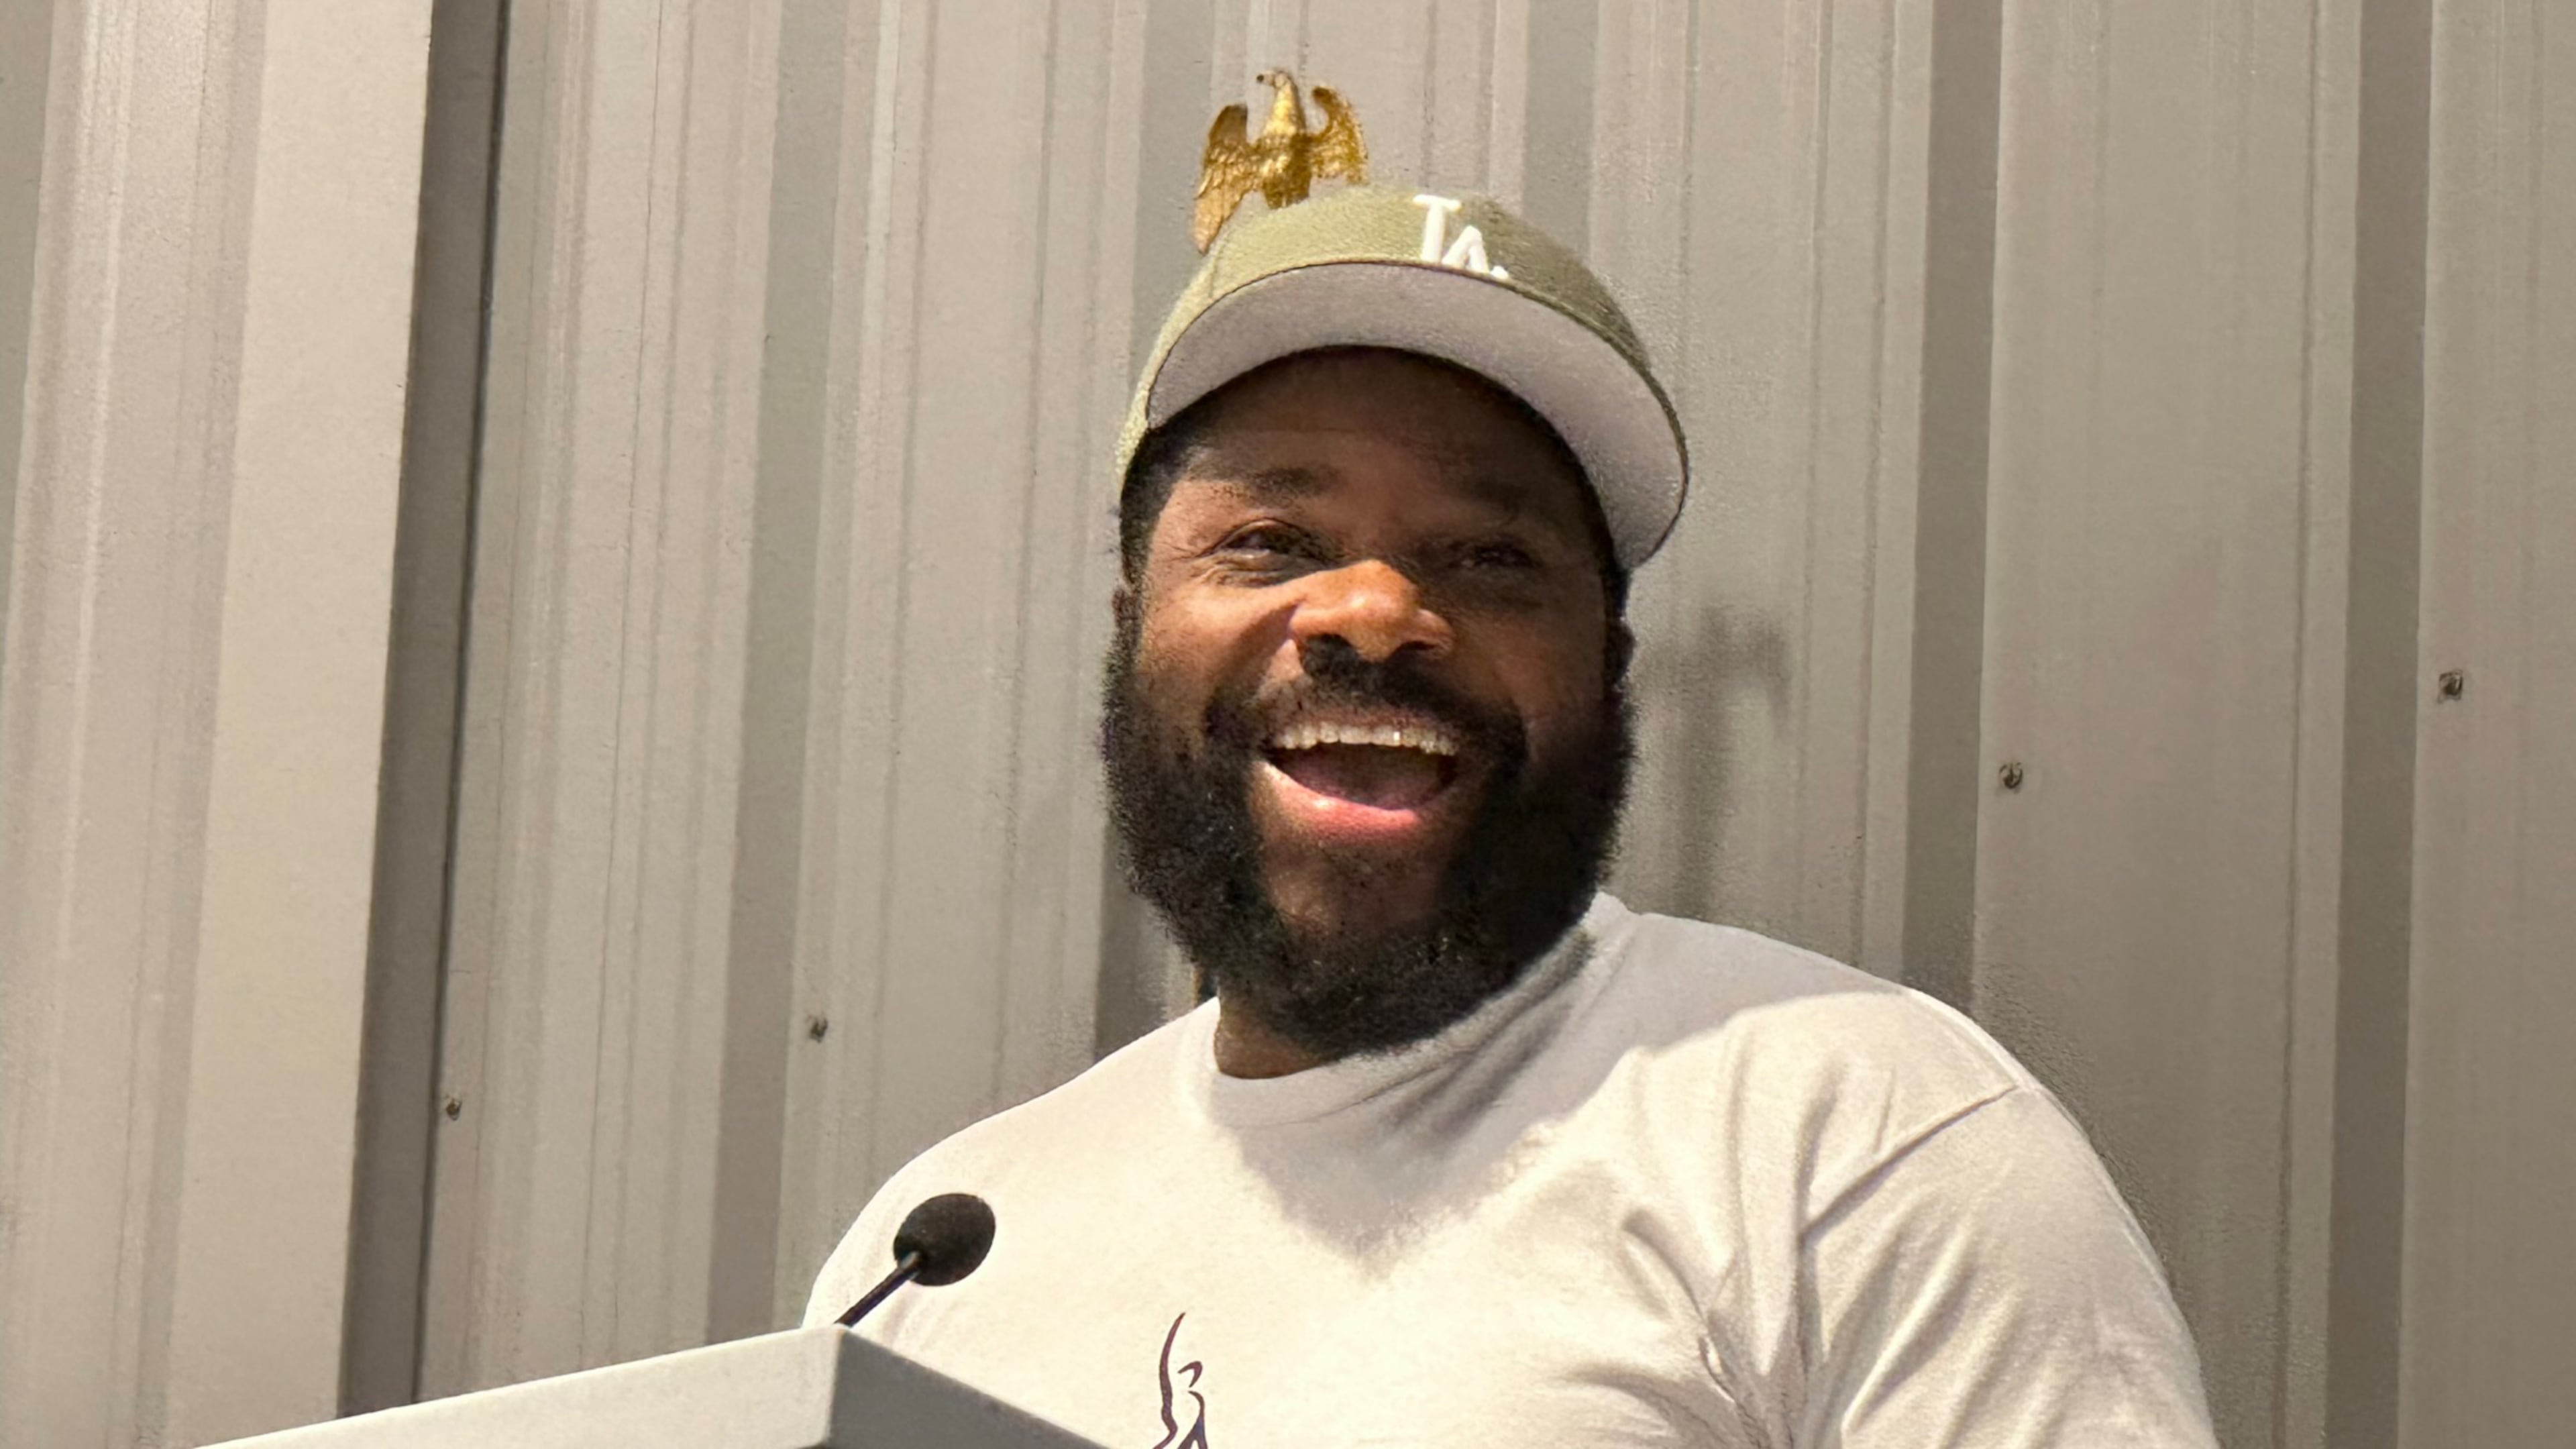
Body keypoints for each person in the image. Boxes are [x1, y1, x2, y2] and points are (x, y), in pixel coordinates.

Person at [804, 186, 2218, 1447]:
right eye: (1272, 542)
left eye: (1489, 556)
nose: (1372, 612)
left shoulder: (1858, 1139)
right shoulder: (933, 1260)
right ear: (1134, 631)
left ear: (1606, 669)